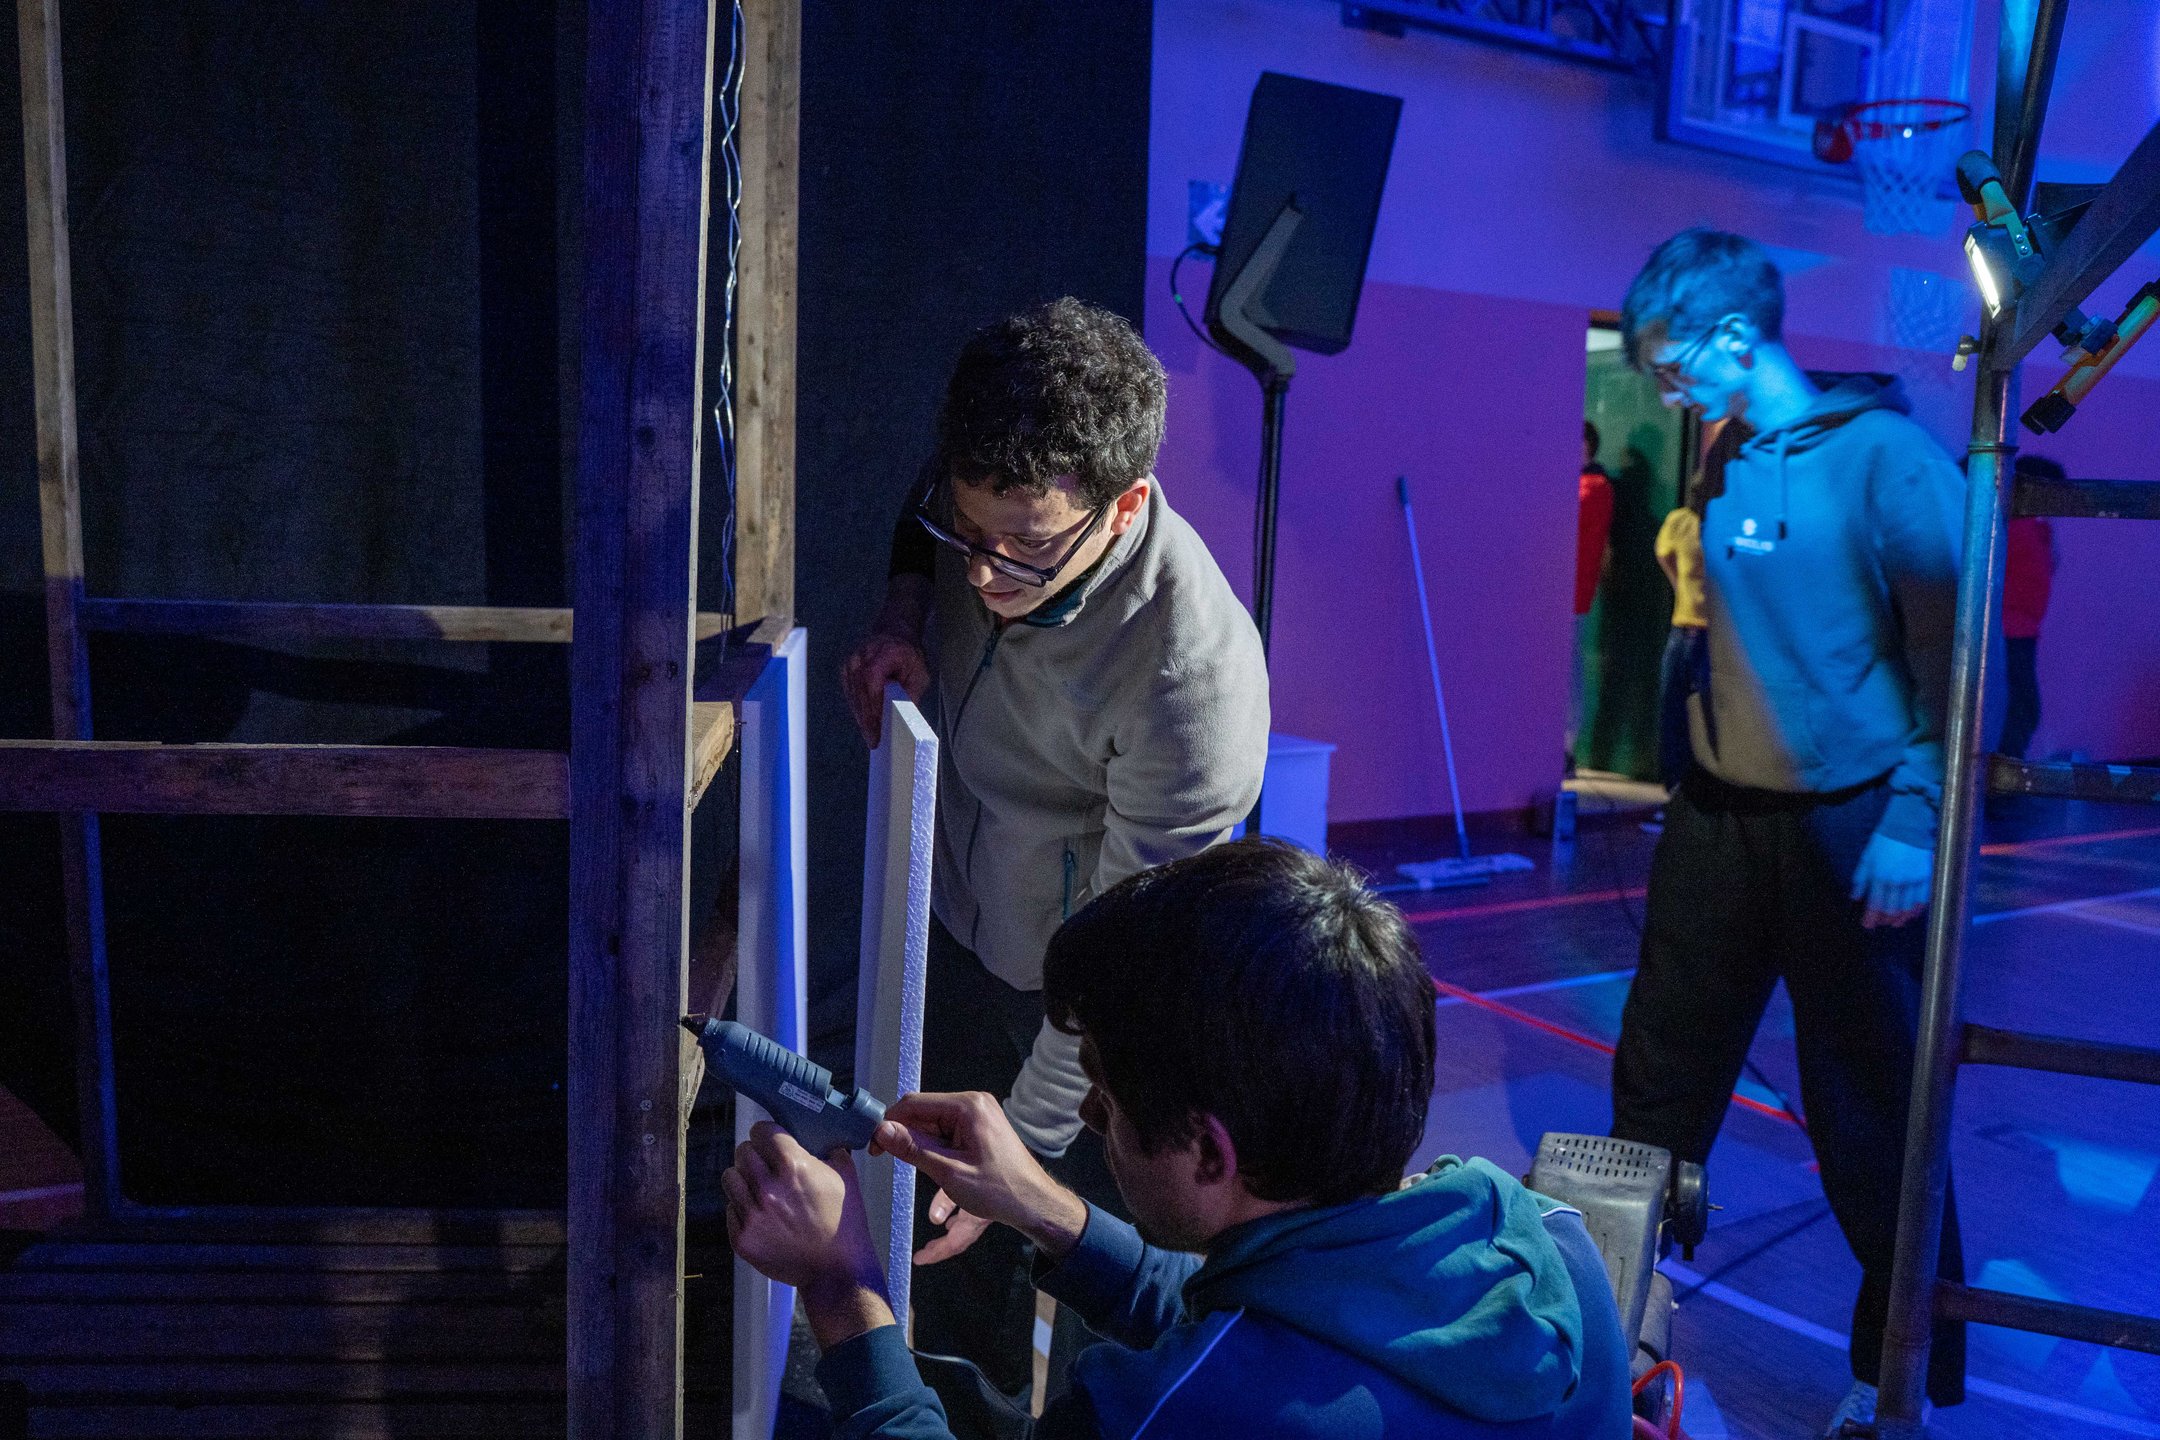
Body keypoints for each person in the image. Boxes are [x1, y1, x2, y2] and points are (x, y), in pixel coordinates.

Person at [722, 840, 1633, 1439]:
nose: (1089, 1117)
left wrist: (840, 1285)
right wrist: (1051, 1213)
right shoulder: (1554, 1249)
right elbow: (1273, 1329)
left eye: (1108, 1097)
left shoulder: (1163, 1415)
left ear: (1208, 1152)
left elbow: (1229, 1374)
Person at [839, 298, 1271, 1397]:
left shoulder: (1192, 682)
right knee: (942, 1270)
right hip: (967, 929)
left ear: (1125, 505)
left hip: (1103, 1009)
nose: (984, 577)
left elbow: (1120, 973)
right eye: (969, 536)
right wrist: (901, 612)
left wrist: (1022, 1155)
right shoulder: (989, 505)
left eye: (1026, 548)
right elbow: (926, 509)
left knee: (1096, 1299)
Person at [1609, 230, 1968, 1436]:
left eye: (1672, 367)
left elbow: (1956, 665)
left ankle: (1894, 1379)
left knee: (1872, 1108)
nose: (1667, 391)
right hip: (1721, 818)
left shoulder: (1889, 460)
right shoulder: (1722, 457)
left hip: (1855, 822)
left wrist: (1915, 816)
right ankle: (1614, 1334)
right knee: (1656, 1080)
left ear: (1733, 337)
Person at [1651, 453, 1712, 791]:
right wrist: (1680, 588)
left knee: (1695, 712)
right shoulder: (1682, 521)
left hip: (1710, 634)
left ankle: (1691, 787)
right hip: (1688, 627)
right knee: (1675, 709)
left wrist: (1682, 586)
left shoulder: (1705, 521)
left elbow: (1664, 555)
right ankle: (1675, 785)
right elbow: (1662, 553)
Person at [1999, 455, 2060, 762]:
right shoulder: (2018, 527)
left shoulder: (2032, 528)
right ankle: (2005, 768)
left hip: (2020, 628)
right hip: (2011, 628)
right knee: (2021, 704)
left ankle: (2005, 765)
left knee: (2019, 704)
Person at [1568, 422, 1615, 768]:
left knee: (1569, 669)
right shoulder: (1589, 486)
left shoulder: (1594, 487)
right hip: (1566, 593)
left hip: (1573, 595)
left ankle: (1566, 747)